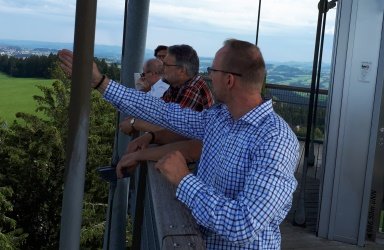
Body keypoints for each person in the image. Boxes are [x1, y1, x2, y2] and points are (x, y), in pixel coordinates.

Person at [58, 39, 299, 249]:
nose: (208, 76)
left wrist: (184, 179)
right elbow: (163, 112)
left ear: (229, 80)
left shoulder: (275, 140)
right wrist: (101, 82)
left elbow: (243, 225)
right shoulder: (220, 118)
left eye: (212, 69)